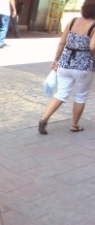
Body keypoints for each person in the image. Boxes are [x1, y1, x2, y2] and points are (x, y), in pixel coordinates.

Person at [38, 0, 95, 135]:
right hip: (83, 66)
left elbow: (62, 42)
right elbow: (93, 46)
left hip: (65, 63)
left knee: (61, 94)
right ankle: (74, 125)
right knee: (80, 96)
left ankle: (44, 118)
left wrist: (56, 59)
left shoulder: (73, 21)